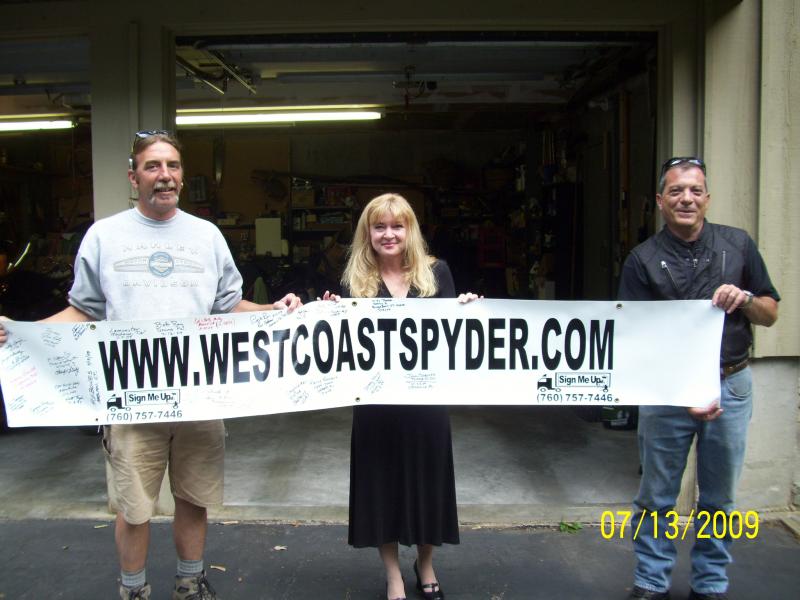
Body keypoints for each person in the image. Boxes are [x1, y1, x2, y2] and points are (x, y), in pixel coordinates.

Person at [1, 130, 300, 600]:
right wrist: (23, 333)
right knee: (133, 507)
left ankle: (189, 583)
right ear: (133, 177)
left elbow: (227, 305)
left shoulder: (207, 236)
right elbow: (84, 310)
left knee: (194, 497)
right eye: (153, 166)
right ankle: (134, 590)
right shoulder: (104, 236)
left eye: (173, 166)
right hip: (131, 397)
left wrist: (274, 311)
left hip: (200, 394)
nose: (165, 176)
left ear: (182, 175)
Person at [618, 157, 779, 600]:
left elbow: (770, 313)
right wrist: (681, 389)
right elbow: (634, 337)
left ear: (707, 198)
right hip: (666, 391)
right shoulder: (642, 260)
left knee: (719, 497)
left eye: (694, 190)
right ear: (660, 201)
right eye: (675, 191)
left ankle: (710, 584)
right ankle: (651, 580)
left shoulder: (739, 245)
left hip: (730, 384)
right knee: (656, 493)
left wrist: (745, 299)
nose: (685, 199)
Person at [336, 193, 477, 600]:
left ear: (410, 230)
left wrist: (469, 310)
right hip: (375, 405)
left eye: (397, 226)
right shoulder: (353, 280)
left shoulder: (437, 273)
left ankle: (425, 563)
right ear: (367, 232)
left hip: (425, 403)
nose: (389, 234)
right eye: (379, 226)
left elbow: (455, 335)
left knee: (428, 483)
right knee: (381, 487)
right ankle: (393, 574)